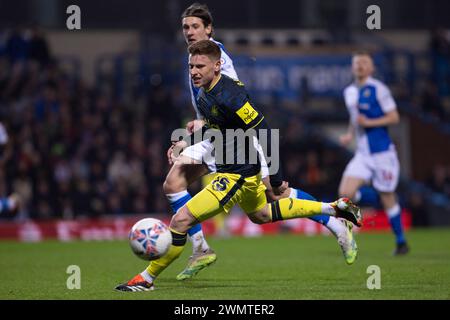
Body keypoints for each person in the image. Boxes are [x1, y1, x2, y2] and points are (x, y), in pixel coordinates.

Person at [115, 40, 362, 291]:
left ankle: (146, 279)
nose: (195, 71)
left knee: (181, 220)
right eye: (191, 66)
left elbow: (263, 131)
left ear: (218, 65)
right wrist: (185, 142)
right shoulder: (204, 93)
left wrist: (275, 178)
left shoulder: (231, 95)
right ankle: (335, 209)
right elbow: (215, 129)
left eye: (201, 65)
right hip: (235, 169)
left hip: (237, 174)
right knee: (261, 215)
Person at [164, 3, 359, 281]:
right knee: (173, 183)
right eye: (186, 27)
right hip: (216, 136)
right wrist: (194, 129)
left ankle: (336, 223)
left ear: (209, 29)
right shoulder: (194, 59)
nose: (190, 32)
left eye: (196, 26)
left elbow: (235, 110)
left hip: (238, 137)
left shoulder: (218, 61)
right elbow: (210, 109)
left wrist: (199, 131)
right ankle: (200, 248)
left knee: (274, 195)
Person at [339, 51, 409, 255]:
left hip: (382, 154)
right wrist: (349, 134)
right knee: (345, 194)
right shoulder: (349, 92)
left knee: (387, 195)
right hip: (363, 154)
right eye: (357, 62)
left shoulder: (379, 90)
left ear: (371, 68)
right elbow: (355, 117)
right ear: (352, 67)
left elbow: (394, 117)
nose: (360, 65)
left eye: (364, 62)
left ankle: (401, 241)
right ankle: (350, 237)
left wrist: (369, 122)